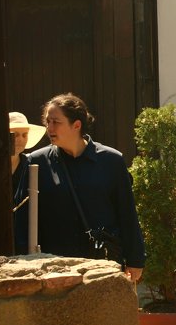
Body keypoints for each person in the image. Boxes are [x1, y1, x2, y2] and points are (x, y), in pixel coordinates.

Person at [24, 94, 145, 280]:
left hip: (102, 266)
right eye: (47, 122)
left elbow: (127, 213)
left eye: (56, 122)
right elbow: (24, 219)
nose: (49, 128)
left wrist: (135, 259)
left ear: (77, 125)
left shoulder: (111, 161)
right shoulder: (36, 162)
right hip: (54, 269)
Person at [10, 111, 46, 254]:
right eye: (15, 134)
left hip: (26, 234)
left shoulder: (31, 164)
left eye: (24, 135)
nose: (20, 139)